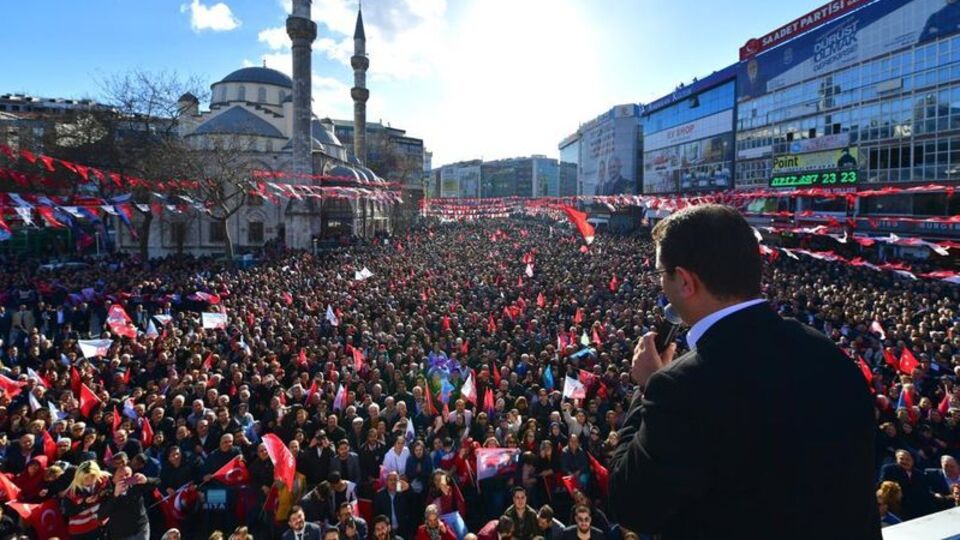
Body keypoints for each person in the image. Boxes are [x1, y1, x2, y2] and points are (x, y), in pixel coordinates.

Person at [608, 204, 880, 539]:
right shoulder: (829, 355)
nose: (660, 283)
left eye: (661, 273)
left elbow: (632, 505)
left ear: (686, 281)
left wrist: (647, 387)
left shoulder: (680, 388)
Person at [97, 464, 159, 540]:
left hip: (140, 529)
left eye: (127, 475)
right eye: (120, 476)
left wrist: (146, 480)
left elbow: (158, 482)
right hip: (121, 534)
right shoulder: (107, 492)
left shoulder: (136, 485)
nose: (124, 478)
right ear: (113, 479)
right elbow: (101, 515)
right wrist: (115, 495)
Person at [373, 471, 414, 539]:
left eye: (395, 479)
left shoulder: (404, 493)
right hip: (387, 531)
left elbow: (413, 508)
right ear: (386, 481)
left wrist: (409, 489)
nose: (393, 482)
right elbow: (377, 515)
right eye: (390, 480)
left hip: (403, 530)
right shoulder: (379, 495)